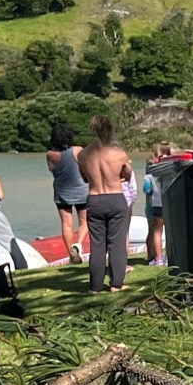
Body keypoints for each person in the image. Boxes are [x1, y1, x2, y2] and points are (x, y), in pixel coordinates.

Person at [81, 116, 134, 292]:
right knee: (116, 243)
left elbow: (84, 178)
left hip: (94, 199)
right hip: (115, 197)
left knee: (97, 245)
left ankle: (95, 286)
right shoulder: (119, 154)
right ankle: (116, 283)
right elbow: (127, 174)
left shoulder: (83, 155)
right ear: (110, 130)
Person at [47, 123, 89, 263]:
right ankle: (78, 245)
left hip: (62, 192)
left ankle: (71, 254)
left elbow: (52, 170)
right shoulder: (78, 150)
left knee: (66, 224)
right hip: (82, 190)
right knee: (84, 221)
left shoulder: (50, 155)